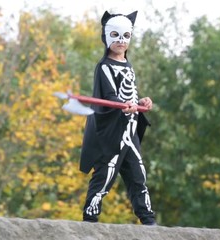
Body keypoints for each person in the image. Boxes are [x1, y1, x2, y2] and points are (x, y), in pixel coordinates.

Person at [80, 10, 156, 225]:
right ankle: (90, 217)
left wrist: (141, 103)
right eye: (116, 35)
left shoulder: (128, 66)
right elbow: (112, 96)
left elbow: (131, 93)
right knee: (104, 175)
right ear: (106, 37)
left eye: (126, 36)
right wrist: (125, 106)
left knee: (138, 175)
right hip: (112, 133)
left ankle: (148, 219)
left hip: (130, 131)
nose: (121, 41)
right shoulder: (104, 67)